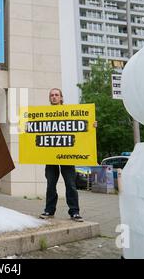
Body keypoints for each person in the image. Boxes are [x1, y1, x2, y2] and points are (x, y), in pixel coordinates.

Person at [39, 88, 91, 222]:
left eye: (56, 95)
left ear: (61, 98)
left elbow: (82, 128)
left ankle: (74, 212)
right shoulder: (43, 115)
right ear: (49, 99)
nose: (54, 97)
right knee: (51, 184)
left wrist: (92, 125)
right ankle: (49, 210)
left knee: (70, 184)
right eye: (52, 95)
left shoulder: (70, 113)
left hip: (67, 156)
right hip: (50, 156)